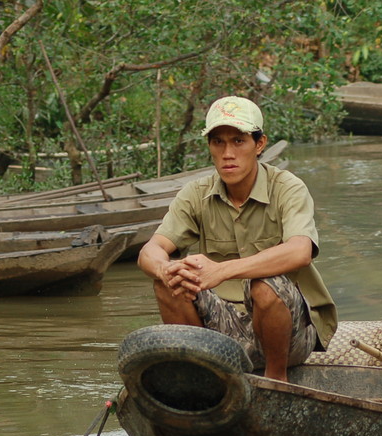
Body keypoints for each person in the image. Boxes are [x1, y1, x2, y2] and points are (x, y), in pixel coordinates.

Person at [138, 96, 337, 381]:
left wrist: (220, 271)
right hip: (222, 325)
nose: (227, 153)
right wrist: (165, 268)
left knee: (266, 284)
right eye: (218, 142)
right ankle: (200, 377)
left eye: (238, 141)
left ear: (259, 145)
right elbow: (151, 250)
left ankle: (275, 380)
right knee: (170, 280)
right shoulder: (196, 193)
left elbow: (299, 252)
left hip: (289, 333)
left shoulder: (287, 188)